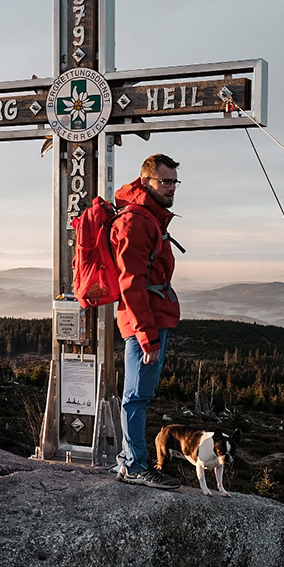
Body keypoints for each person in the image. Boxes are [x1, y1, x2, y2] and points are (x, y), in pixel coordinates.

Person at [110, 153, 182, 489]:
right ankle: (135, 464)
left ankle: (129, 460)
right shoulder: (135, 222)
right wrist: (147, 336)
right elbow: (131, 284)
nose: (171, 188)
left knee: (141, 392)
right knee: (137, 394)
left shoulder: (149, 217)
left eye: (174, 182)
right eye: (165, 182)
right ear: (146, 181)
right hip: (145, 320)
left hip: (155, 315)